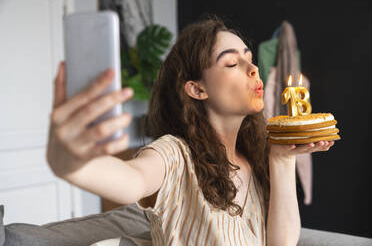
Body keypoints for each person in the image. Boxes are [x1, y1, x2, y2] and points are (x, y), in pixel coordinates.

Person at [46, 16, 334, 245]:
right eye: (232, 62)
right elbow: (131, 180)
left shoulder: (255, 158)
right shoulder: (175, 155)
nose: (253, 68)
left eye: (249, 57)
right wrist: (69, 163)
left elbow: (282, 243)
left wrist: (282, 160)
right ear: (197, 89)